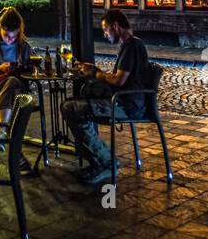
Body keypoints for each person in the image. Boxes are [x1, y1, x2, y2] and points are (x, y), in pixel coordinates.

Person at [62, 10, 151, 186]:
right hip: (124, 100)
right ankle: (99, 160)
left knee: (70, 108)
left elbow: (119, 80)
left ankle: (104, 162)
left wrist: (96, 73)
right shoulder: (131, 45)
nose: (104, 34)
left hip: (126, 104)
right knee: (73, 104)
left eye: (106, 30)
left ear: (115, 26)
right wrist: (95, 72)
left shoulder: (131, 46)